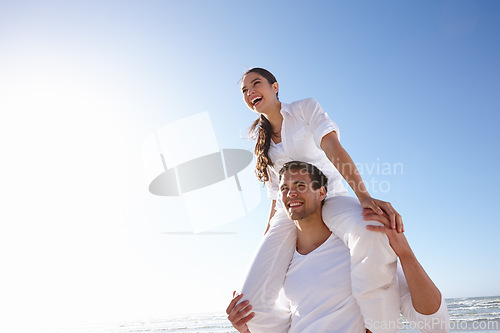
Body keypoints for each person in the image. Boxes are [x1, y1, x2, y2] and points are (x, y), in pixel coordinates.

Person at [237, 68, 403, 332]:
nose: (249, 92)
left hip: (331, 197)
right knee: (249, 303)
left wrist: (363, 195)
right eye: (244, 90)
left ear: (275, 86)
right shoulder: (261, 139)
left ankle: (378, 325)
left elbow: (332, 147)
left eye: (255, 84)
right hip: (288, 211)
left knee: (369, 229)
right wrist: (268, 236)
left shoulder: (304, 109)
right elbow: (273, 194)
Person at [227, 161, 449, 332]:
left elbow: (434, 324)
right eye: (284, 188)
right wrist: (247, 326)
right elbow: (283, 324)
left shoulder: (360, 249)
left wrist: (405, 254)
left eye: (300, 185)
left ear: (321, 193)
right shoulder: (283, 262)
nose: (290, 193)